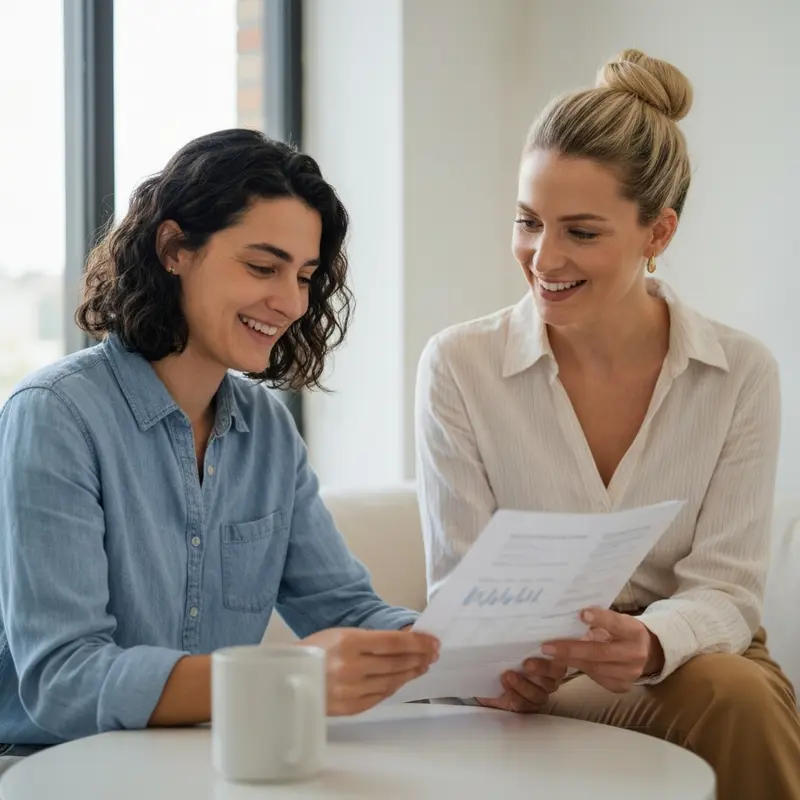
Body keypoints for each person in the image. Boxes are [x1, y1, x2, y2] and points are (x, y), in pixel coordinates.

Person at [415, 49, 800, 799]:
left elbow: (728, 590)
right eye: (529, 222)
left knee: (736, 695)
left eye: (582, 232)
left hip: (691, 660)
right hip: (530, 676)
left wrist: (652, 641)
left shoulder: (740, 372)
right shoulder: (459, 366)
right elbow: (458, 585)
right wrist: (499, 668)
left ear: (659, 233)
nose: (544, 257)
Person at [0, 129, 439, 761]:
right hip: (50, 769)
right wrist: (282, 678)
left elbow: (345, 609)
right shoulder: (56, 415)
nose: (290, 302)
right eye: (262, 267)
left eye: (305, 276)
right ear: (174, 249)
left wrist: (480, 652)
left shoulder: (268, 431)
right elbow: (64, 679)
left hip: (202, 762)